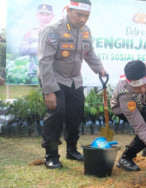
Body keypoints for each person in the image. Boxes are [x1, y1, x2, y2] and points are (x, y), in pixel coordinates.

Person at [38, 0, 107, 169]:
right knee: (56, 114)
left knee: (75, 115)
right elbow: (45, 61)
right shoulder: (53, 30)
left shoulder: (85, 31)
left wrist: (100, 69)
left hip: (75, 80)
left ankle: (71, 150)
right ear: (68, 10)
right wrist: (49, 91)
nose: (83, 19)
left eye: (87, 16)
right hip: (54, 78)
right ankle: (51, 155)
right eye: (79, 15)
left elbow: (89, 52)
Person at [20, 4, 54, 78]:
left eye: (47, 15)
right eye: (42, 14)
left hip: (53, 73)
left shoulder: (57, 32)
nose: (44, 18)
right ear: (37, 15)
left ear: (52, 16)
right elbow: (23, 50)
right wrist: (43, 49)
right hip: (34, 73)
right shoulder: (30, 32)